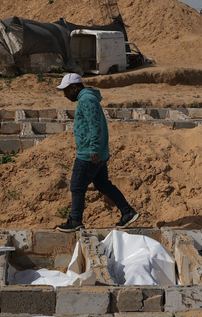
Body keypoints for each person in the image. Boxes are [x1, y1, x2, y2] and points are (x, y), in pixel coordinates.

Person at [55, 73, 139, 232]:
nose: (65, 95)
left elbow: (94, 125)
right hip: (97, 152)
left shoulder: (86, 100)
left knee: (77, 187)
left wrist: (93, 148)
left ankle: (75, 221)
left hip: (89, 153)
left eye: (66, 90)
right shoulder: (87, 98)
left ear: (75, 87)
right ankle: (127, 212)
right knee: (102, 184)